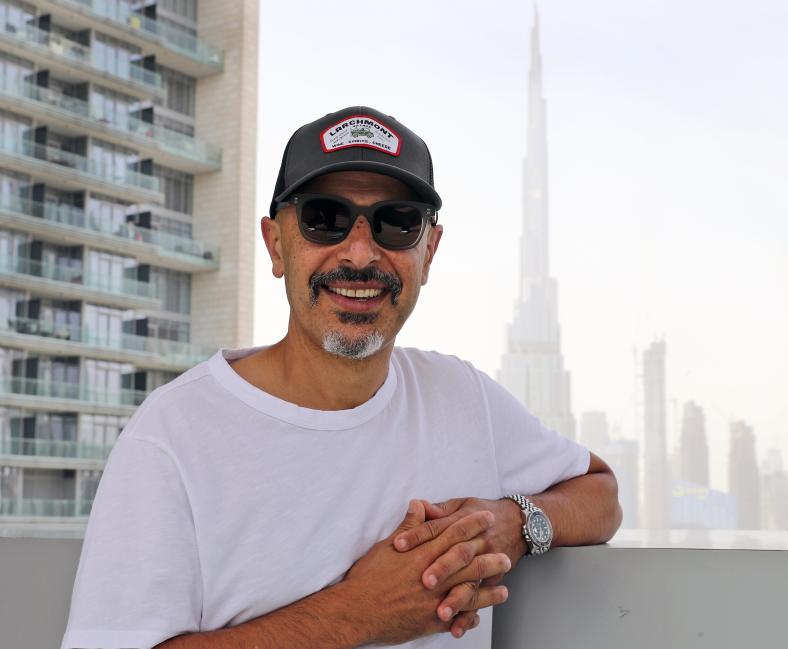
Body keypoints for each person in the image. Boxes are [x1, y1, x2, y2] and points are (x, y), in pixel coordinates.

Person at [60, 106, 622, 649]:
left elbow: (601, 496)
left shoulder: (461, 396)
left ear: (429, 252)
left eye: (397, 224)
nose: (359, 253)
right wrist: (361, 613)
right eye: (323, 219)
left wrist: (511, 524)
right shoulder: (174, 434)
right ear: (276, 244)